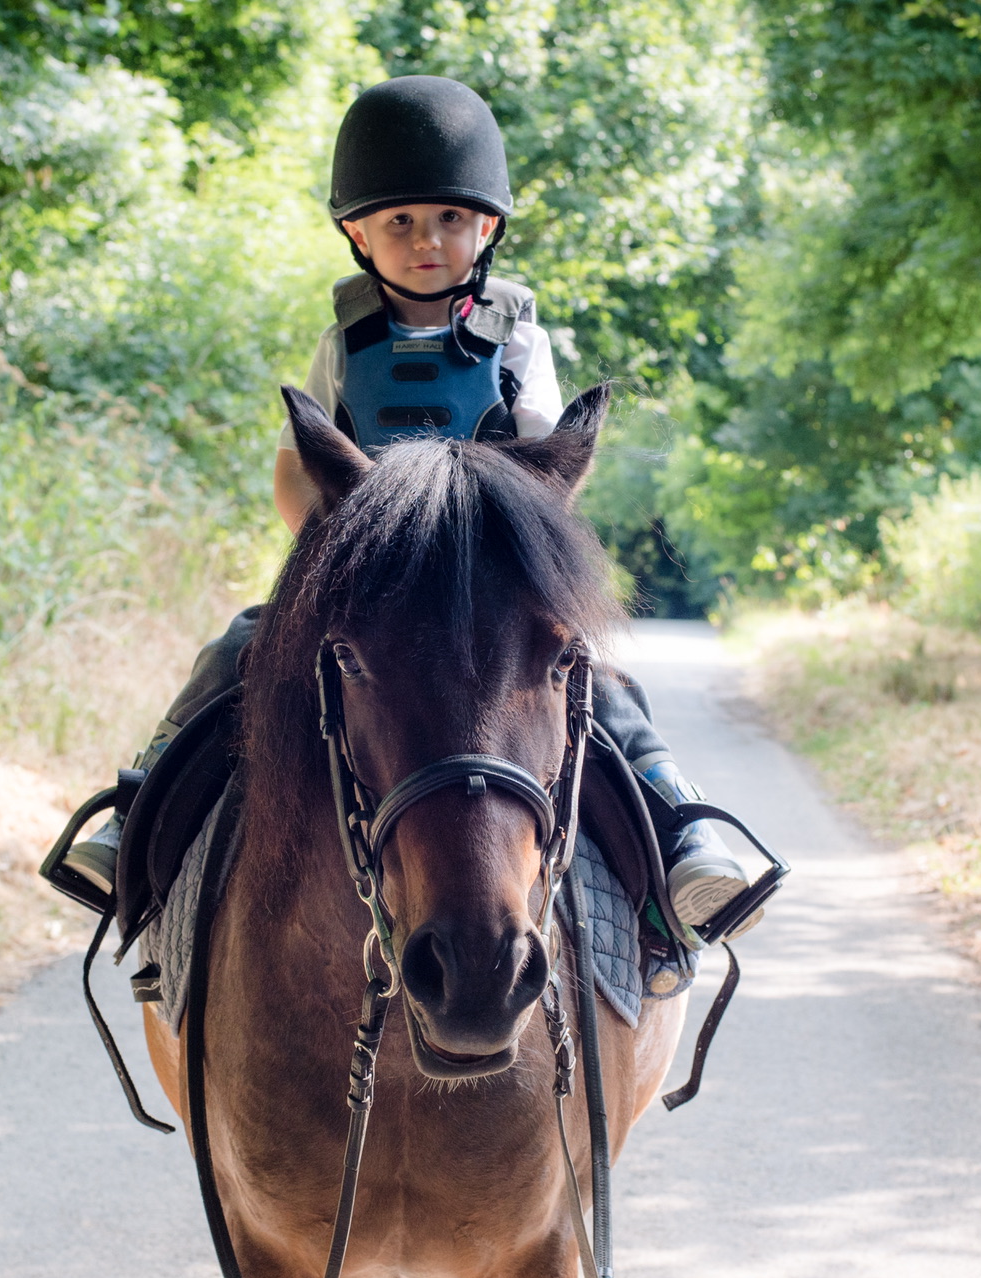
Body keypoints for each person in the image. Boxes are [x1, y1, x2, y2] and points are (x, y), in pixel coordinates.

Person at [65, 75, 755, 942]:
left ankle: (680, 834)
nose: (427, 241)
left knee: (592, 678)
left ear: (487, 229)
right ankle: (135, 824)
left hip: (491, 572)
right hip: (366, 569)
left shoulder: (520, 342)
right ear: (358, 232)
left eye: (450, 222)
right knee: (237, 649)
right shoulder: (343, 345)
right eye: (400, 223)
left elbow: (547, 468)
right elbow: (295, 474)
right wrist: (349, 546)